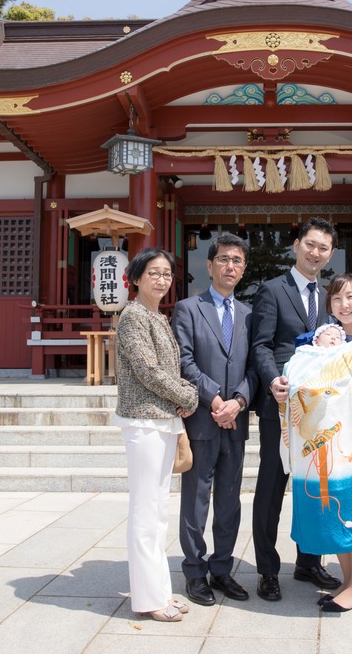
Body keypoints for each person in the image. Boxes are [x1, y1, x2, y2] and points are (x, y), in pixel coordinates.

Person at [280, 273, 352, 613]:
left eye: (350, 297)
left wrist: (334, 375)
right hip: (325, 441)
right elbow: (301, 376)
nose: (344, 304)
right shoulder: (320, 341)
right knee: (334, 506)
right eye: (336, 299)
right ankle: (348, 581)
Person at [248, 217, 342, 601]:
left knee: (315, 488)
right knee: (271, 488)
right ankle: (268, 570)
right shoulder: (272, 290)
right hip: (281, 409)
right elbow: (261, 345)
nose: (315, 253)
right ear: (296, 245)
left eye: (323, 248)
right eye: (310, 244)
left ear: (330, 253)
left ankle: (309, 562)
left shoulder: (330, 298)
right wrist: (273, 380)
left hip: (317, 411)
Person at [113, 247, 199, 623]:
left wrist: (179, 400)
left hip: (162, 419)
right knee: (146, 512)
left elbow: (166, 368)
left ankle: (160, 590)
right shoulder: (132, 316)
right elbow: (148, 370)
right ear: (135, 277)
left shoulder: (158, 317)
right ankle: (148, 600)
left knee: (158, 510)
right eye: (154, 273)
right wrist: (188, 395)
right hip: (143, 422)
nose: (162, 279)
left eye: (167, 274)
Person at [172, 233, 256, 606]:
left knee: (228, 501)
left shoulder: (250, 314)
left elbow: (256, 366)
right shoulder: (188, 309)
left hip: (234, 423)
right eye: (224, 259)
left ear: (243, 268)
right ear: (209, 265)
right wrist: (216, 400)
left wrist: (238, 401)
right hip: (204, 421)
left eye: (237, 261)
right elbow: (184, 362)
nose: (230, 266)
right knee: (196, 500)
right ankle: (194, 570)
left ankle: (221, 569)